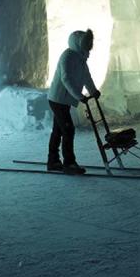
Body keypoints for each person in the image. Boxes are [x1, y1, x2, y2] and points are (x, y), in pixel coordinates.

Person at [46, 29, 100, 173]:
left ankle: (53, 161)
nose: (88, 46)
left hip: (64, 100)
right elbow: (66, 79)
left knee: (58, 130)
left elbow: (86, 77)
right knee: (68, 129)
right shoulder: (68, 56)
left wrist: (93, 91)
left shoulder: (81, 58)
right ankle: (68, 164)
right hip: (57, 99)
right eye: (85, 43)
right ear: (78, 43)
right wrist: (79, 96)